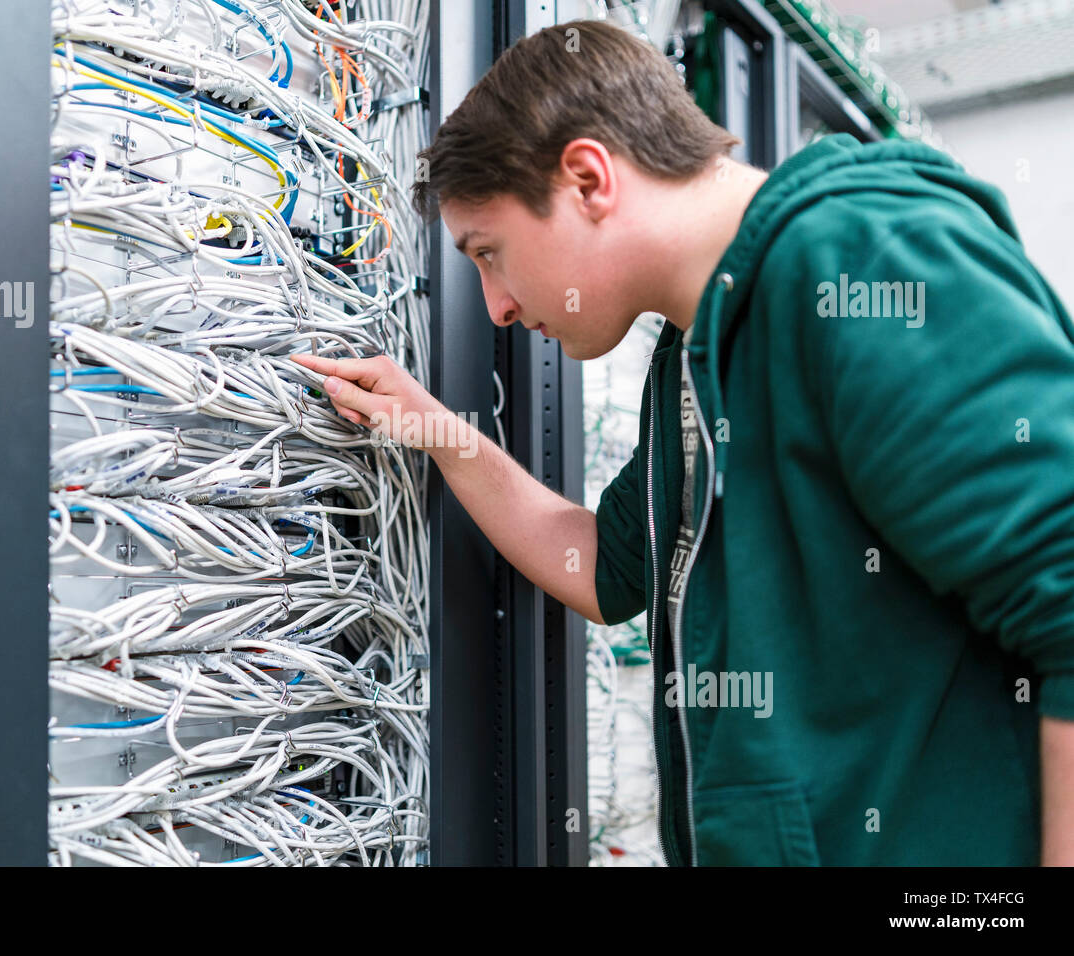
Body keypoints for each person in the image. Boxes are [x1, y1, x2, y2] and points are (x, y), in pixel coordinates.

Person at [292, 19, 1074, 866]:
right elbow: (599, 568)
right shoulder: (696, 355)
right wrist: (439, 432)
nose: (496, 306)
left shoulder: (862, 260)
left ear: (589, 179)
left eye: (491, 253)